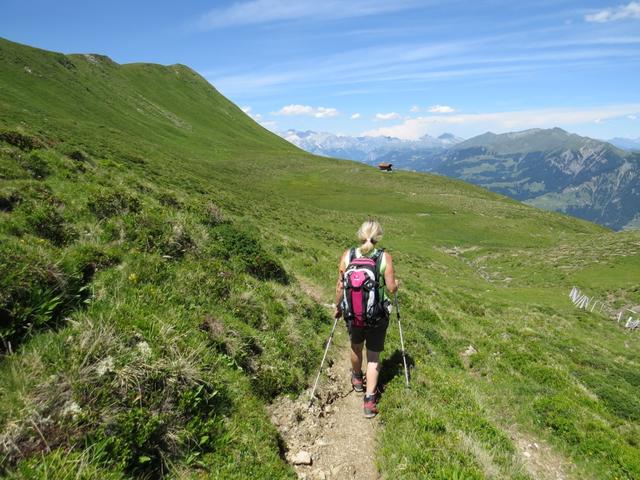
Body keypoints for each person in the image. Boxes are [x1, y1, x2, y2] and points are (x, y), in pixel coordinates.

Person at [334, 220, 399, 418]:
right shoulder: (384, 257)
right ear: (379, 237)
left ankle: (356, 379)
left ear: (360, 235)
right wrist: (396, 284)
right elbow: (391, 288)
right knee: (373, 356)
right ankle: (370, 401)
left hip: (353, 314)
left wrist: (338, 306)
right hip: (377, 315)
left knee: (356, 346)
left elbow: (340, 285)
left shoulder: (348, 255)